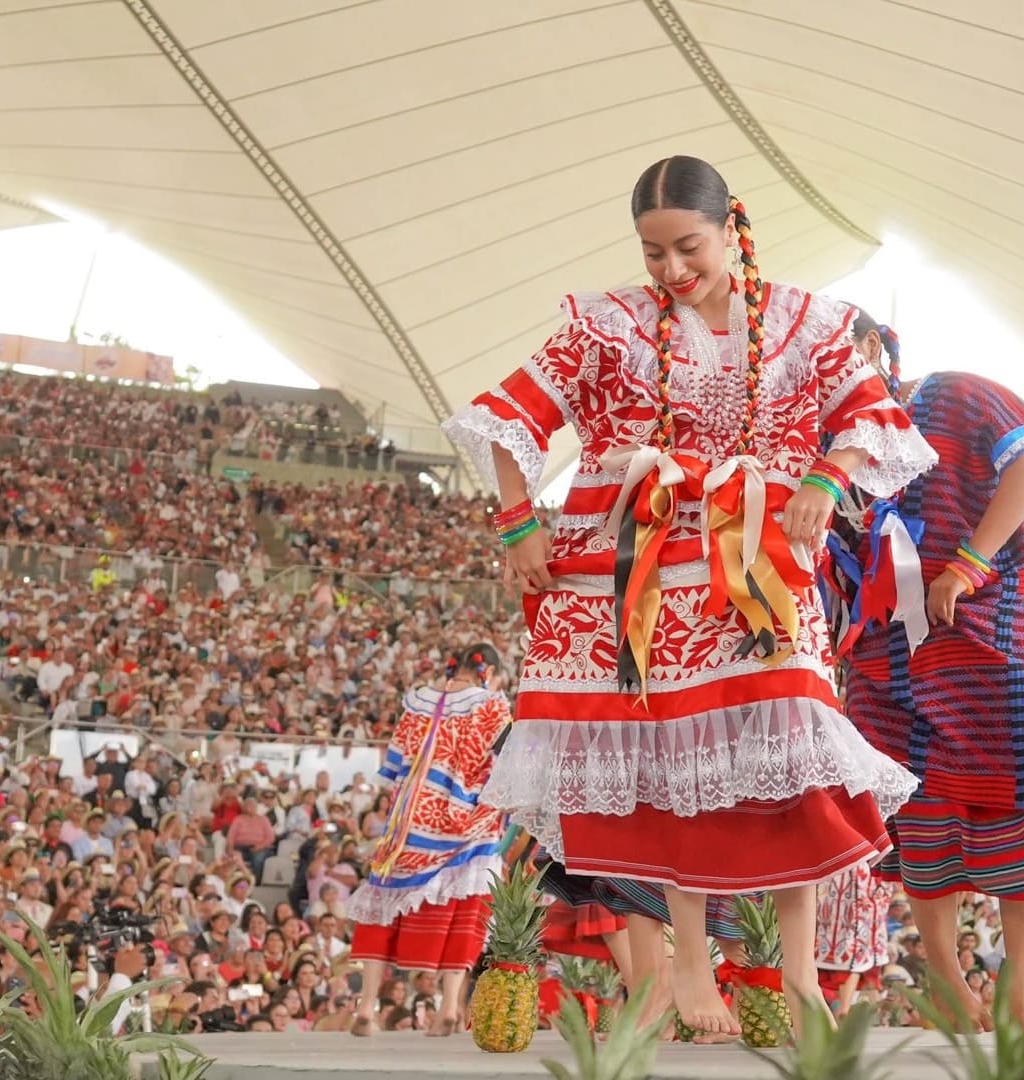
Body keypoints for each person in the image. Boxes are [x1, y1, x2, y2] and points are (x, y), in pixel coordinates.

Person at [446, 155, 933, 1039]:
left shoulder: (804, 322)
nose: (671, 269)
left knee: (798, 754)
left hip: (761, 564)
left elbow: (872, 416)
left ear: (730, 230)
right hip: (642, 565)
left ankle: (800, 976)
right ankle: (690, 962)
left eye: (688, 247)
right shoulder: (609, 326)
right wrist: (518, 524)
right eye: (653, 251)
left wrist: (826, 476)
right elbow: (507, 415)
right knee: (673, 766)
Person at [835, 311, 1024, 1032]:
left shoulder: (956, 393)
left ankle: (1021, 984)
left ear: (872, 347)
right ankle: (946, 980)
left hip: (990, 625)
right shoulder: (829, 448)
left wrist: (967, 564)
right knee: (913, 808)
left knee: (1020, 786)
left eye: (835, 357)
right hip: (883, 653)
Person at [346, 645, 511, 1038]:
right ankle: (449, 1006)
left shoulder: (417, 701)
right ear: (489, 672)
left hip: (410, 822)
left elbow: (395, 763)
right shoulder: (491, 705)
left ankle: (366, 1007)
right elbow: (509, 758)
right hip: (467, 818)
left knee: (382, 907)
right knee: (463, 910)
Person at [812, 859, 898, 1017]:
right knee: (851, 948)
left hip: (863, 873)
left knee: (857, 950)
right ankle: (844, 1009)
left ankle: (845, 1009)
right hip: (846, 874)